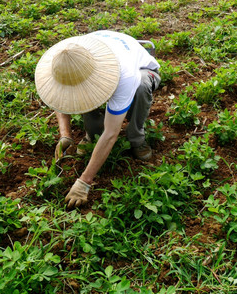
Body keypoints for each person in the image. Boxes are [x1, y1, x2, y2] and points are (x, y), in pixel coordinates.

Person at [34, 30, 161, 208]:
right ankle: (93, 134)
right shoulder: (66, 57)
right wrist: (65, 135)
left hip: (141, 69)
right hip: (100, 58)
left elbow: (111, 132)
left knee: (140, 86)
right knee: (84, 91)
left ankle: (137, 138)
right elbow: (60, 95)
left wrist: (84, 182)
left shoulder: (126, 75)